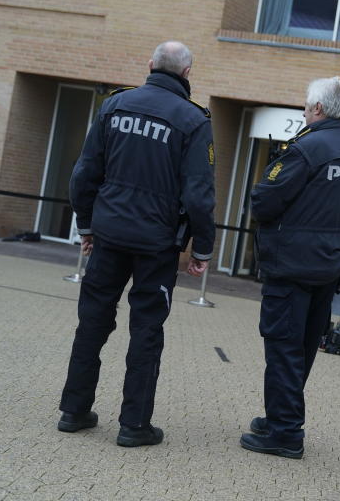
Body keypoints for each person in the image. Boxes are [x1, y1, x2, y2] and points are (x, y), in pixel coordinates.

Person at [57, 41, 216, 447]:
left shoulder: (115, 105)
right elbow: (199, 193)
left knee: (92, 321)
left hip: (108, 236)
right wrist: (202, 248)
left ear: (149, 66)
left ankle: (74, 412)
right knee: (146, 330)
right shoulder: (194, 120)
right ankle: (134, 426)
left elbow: (84, 173)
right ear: (187, 75)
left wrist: (86, 224)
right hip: (157, 244)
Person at [241, 77, 340, 459]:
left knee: (283, 346)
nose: (303, 111)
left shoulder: (307, 147)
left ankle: (285, 432)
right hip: (329, 268)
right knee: (304, 347)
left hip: (293, 266)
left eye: (305, 105)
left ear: (318, 109)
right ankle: (280, 416)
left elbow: (264, 200)